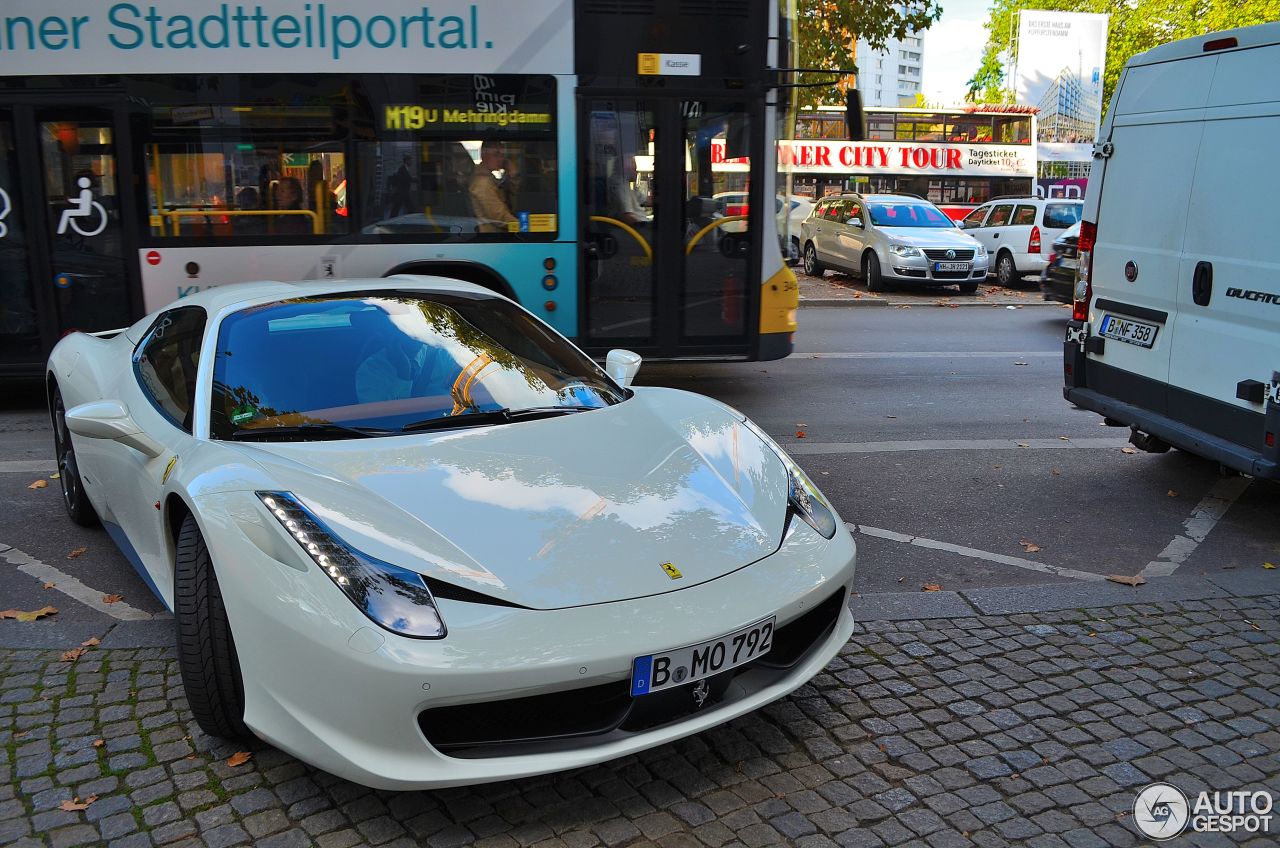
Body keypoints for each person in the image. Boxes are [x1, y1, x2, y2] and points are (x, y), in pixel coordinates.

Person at [469, 140, 520, 233]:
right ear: (483, 155)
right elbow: (499, 216)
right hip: (492, 237)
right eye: (496, 155)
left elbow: (511, 202)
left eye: (502, 155)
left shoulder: (490, 179)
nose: (501, 159)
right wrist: (523, 226)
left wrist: (512, 176)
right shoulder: (483, 183)